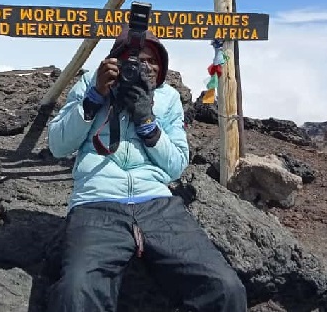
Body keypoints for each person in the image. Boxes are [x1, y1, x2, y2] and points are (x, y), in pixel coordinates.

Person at [47, 27, 247, 312]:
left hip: (157, 203)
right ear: (116, 61)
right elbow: (58, 144)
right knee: (76, 290)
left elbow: (176, 165)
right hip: (96, 202)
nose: (145, 67)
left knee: (224, 288)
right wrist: (95, 97)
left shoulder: (167, 98)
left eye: (153, 60)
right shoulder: (92, 84)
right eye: (137, 59)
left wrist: (146, 121)